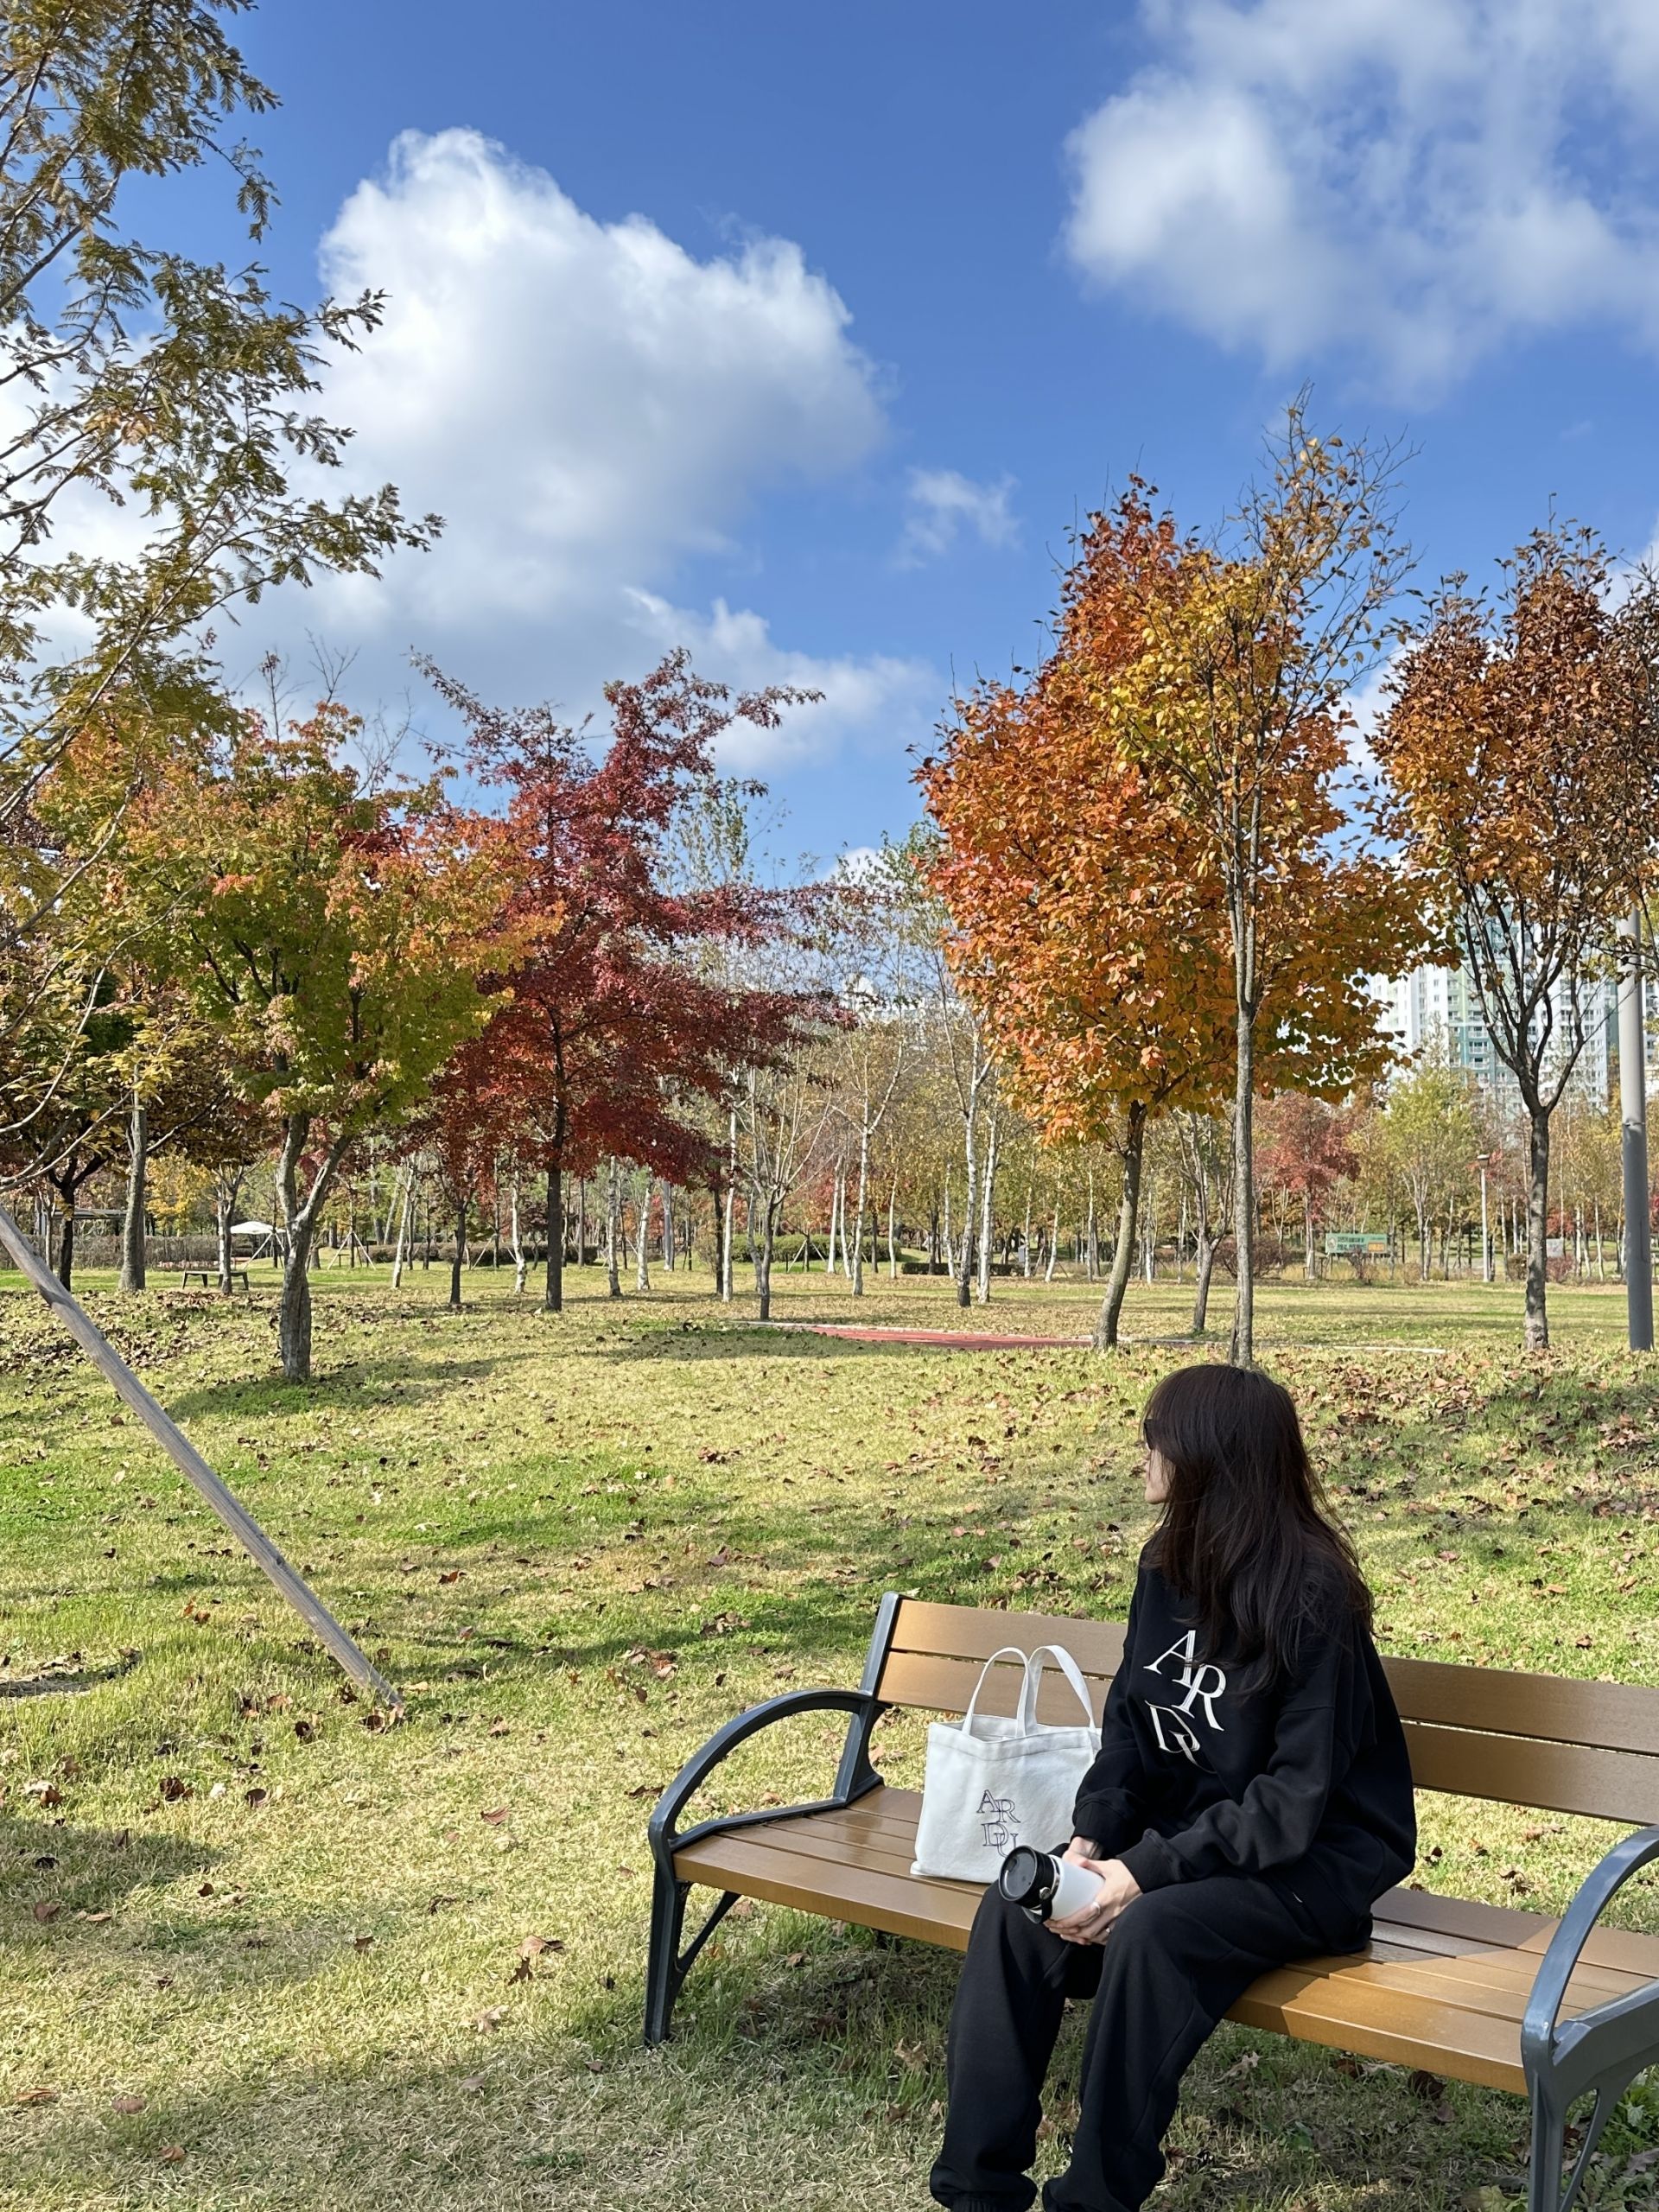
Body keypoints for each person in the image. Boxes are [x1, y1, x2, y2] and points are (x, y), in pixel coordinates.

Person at [930, 1361, 1416, 2212]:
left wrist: (1143, 1872)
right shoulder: (1167, 1565)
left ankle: (1094, 2198)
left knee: (1152, 1930)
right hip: (1196, 1835)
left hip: (1313, 1864)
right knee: (1019, 1907)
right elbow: (1130, 1721)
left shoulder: (1313, 1597)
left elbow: (1292, 1802)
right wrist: (1092, 1835)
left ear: (1210, 1458)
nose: (1145, 1451)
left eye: (1158, 1437)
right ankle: (977, 2190)